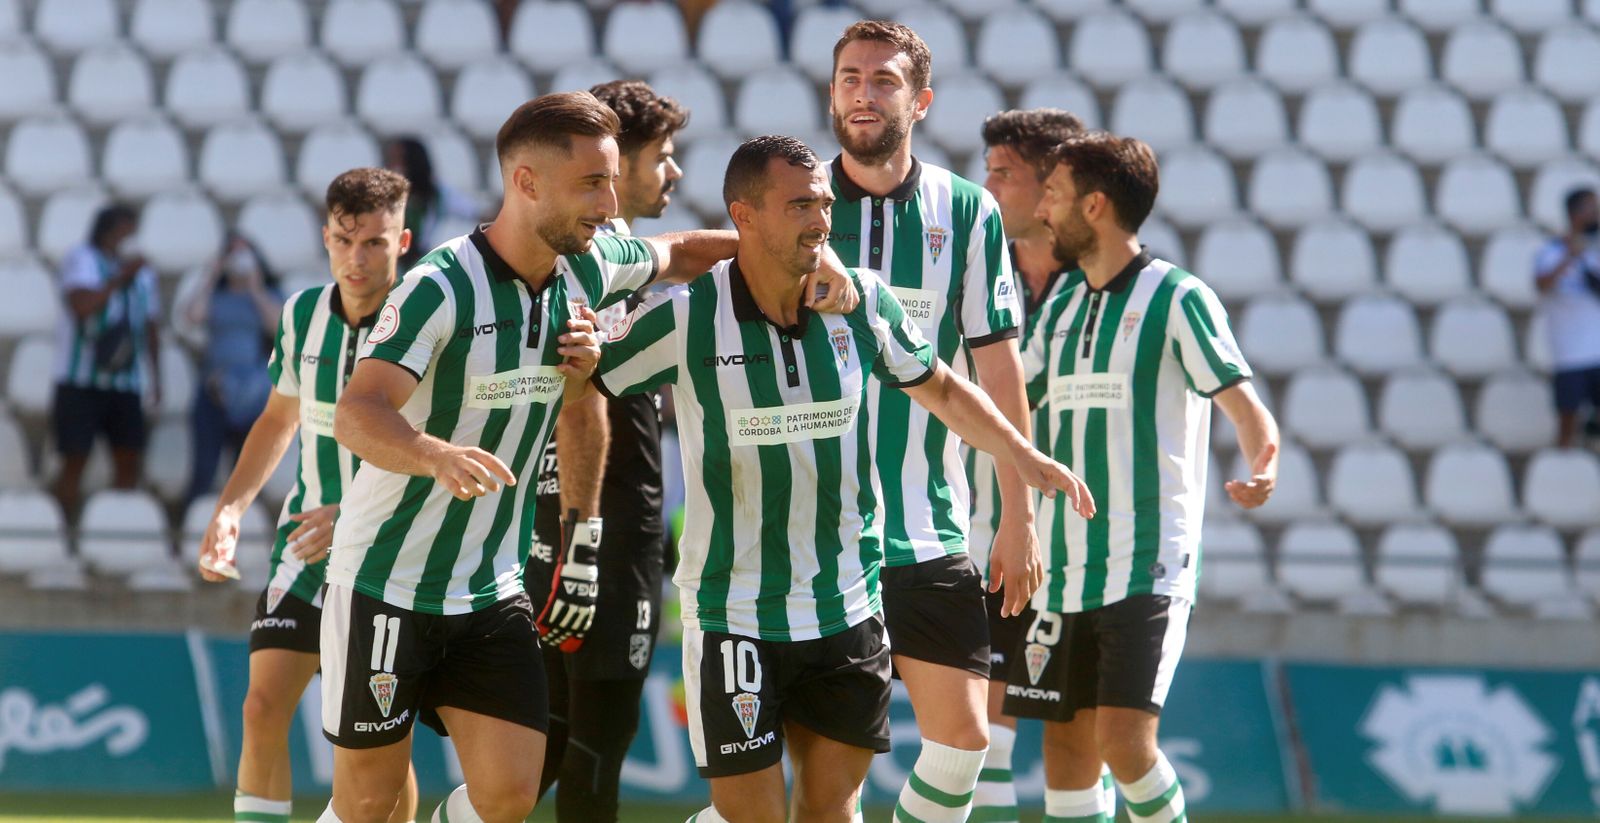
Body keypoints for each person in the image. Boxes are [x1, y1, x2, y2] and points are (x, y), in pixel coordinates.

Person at [319, 92, 856, 823]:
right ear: (527, 183)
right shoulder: (439, 287)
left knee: (509, 794)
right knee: (368, 803)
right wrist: (434, 454)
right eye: (592, 184)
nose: (609, 203)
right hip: (387, 579)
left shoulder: (590, 264)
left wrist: (808, 257)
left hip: (486, 590)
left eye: (611, 179)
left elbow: (682, 252)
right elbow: (358, 410)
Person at [585, 134, 1094, 823]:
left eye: (823, 202)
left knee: (831, 811)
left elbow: (942, 389)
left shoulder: (860, 304)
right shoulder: (687, 317)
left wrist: (1020, 456)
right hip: (735, 615)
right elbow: (583, 376)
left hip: (847, 609)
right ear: (745, 214)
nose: (821, 218)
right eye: (799, 204)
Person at [1005, 131, 1280, 823]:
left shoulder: (1179, 297)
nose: (1043, 211)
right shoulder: (1062, 306)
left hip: (1146, 558)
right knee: (1066, 753)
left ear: (1094, 206)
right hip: (1062, 566)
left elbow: (1245, 407)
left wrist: (1263, 463)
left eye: (1056, 196)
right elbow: (1014, 409)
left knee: (1124, 742)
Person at [825, 21, 1039, 821]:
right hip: (816, 533)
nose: (863, 94)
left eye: (883, 80)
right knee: (829, 777)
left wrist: (1018, 516)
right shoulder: (794, 195)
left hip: (929, 525)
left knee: (963, 743)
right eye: (850, 78)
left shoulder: (968, 209)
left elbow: (998, 367)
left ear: (920, 100)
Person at [195, 169, 421, 823]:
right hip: (308, 548)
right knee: (262, 706)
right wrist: (231, 510)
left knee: (376, 746)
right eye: (346, 240)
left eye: (375, 242)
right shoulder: (300, 314)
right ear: (326, 237)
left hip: (391, 554)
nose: (358, 257)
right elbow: (276, 418)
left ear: (402, 240)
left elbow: (439, 444)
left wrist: (353, 513)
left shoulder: (428, 322)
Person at [525, 79, 688, 822]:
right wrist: (581, 543)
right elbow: (580, 401)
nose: (673, 173)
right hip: (601, 540)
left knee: (547, 755)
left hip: (557, 533)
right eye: (663, 156)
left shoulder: (576, 264)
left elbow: (683, 249)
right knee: (589, 753)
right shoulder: (594, 273)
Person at [968, 106, 1093, 823]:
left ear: (1054, 183)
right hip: (989, 535)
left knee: (1083, 744)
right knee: (980, 733)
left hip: (1087, 552)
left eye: (1004, 174)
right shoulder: (977, 273)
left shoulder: (1111, 279)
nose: (990, 190)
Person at [52, 203, 162, 521]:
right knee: (75, 459)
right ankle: (63, 527)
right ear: (106, 233)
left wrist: (156, 380)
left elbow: (151, 327)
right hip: (79, 382)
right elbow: (82, 306)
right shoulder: (81, 259)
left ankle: (116, 527)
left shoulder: (146, 275)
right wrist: (120, 278)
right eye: (123, 232)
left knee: (128, 459)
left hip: (126, 383)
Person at [180, 232, 285, 505]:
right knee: (205, 469)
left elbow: (280, 327)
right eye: (232, 254)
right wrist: (212, 274)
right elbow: (192, 316)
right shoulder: (217, 296)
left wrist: (255, 288)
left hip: (253, 394)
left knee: (247, 473)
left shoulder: (269, 294)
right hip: (213, 391)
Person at [1534, 186, 1600, 447]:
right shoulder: (1550, 252)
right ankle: (1561, 470)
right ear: (1575, 213)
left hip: (1597, 350)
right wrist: (1571, 256)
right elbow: (1541, 285)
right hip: (1569, 353)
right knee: (1567, 421)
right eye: (1591, 208)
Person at [384, 136, 481, 270]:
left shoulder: (439, 194)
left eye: (398, 160)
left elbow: (475, 213)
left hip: (421, 264)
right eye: (391, 160)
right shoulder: (383, 193)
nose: (392, 166)